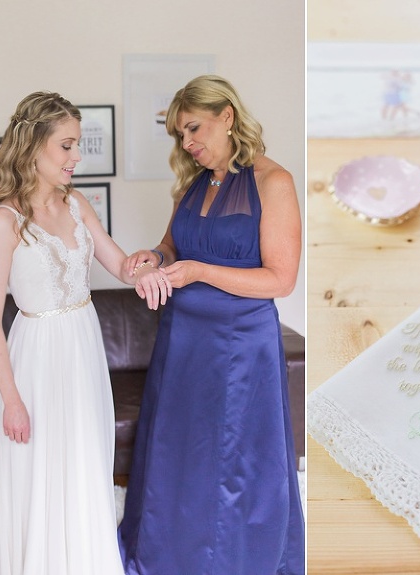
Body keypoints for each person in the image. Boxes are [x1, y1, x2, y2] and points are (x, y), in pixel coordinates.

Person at [0, 91, 171, 575]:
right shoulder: (5, 220)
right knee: (38, 467)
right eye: (66, 145)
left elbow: (119, 264)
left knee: (83, 458)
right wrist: (12, 398)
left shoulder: (77, 202)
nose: (77, 157)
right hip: (36, 355)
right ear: (34, 145)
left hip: (84, 344)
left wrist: (150, 264)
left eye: (77, 145)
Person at [117, 74, 305, 574]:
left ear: (227, 116)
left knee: (234, 462)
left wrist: (201, 272)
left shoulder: (273, 182)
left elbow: (280, 280)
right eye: (181, 134)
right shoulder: (193, 184)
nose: (188, 143)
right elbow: (173, 248)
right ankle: (169, 553)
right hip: (181, 340)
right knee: (177, 453)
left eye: (194, 128)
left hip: (239, 345)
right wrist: (151, 256)